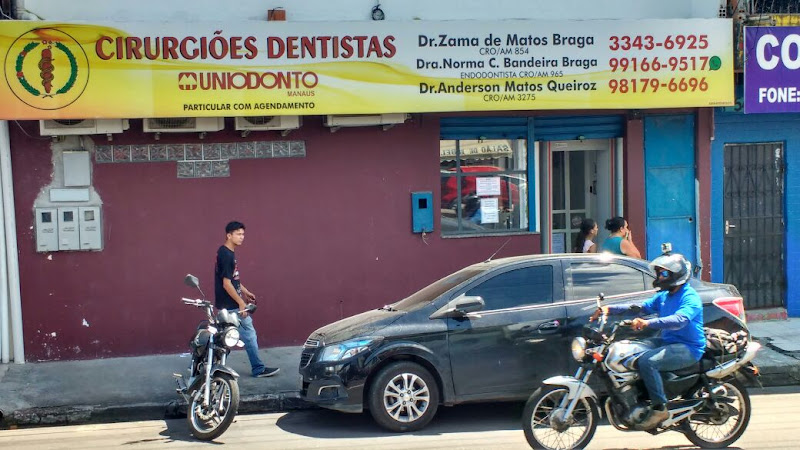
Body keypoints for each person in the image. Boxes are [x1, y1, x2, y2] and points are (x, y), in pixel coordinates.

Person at [590, 251, 705, 430]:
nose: (660, 277)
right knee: (630, 350)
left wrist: (647, 323)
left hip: (688, 347)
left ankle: (660, 408)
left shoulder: (689, 296)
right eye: (659, 273)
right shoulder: (664, 296)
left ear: (676, 275)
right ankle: (640, 397)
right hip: (667, 341)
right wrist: (609, 309)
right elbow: (641, 307)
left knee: (647, 362)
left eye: (664, 273)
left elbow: (680, 320)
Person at [215, 221, 279, 378]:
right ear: (229, 235)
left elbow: (233, 280)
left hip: (227, 305)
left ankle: (206, 366)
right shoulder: (227, 255)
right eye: (238, 234)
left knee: (224, 338)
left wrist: (246, 292)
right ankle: (258, 369)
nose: (242, 237)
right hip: (232, 306)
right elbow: (226, 284)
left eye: (243, 234)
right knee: (248, 335)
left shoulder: (225, 252)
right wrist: (241, 303)